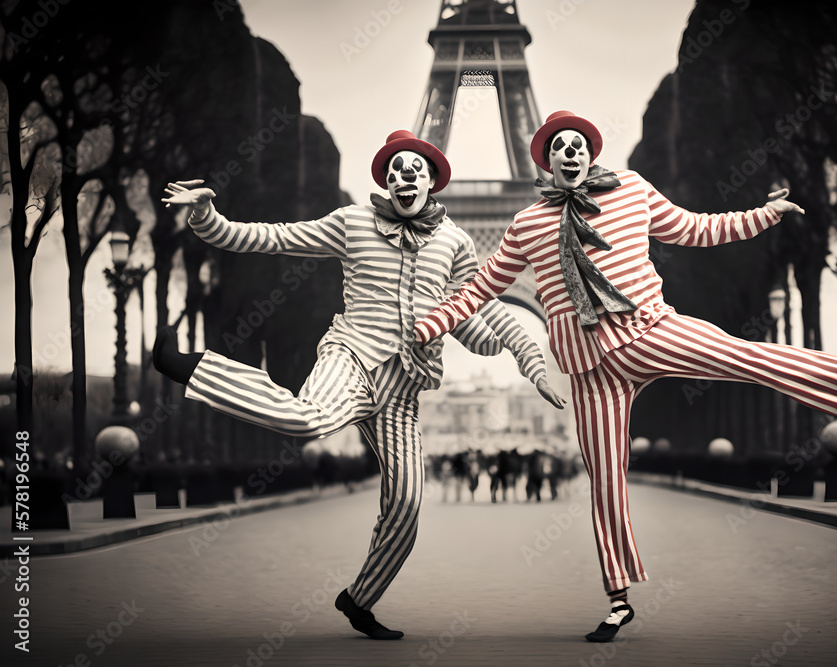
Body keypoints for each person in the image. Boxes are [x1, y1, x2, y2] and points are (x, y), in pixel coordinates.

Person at [413, 111, 837, 643]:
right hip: (590, 367)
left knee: (742, 356)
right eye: (559, 146)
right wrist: (431, 325)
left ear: (589, 153)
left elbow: (696, 229)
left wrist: (763, 215)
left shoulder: (632, 190)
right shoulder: (527, 224)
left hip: (649, 329)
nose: (570, 151)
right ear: (545, 160)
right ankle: (618, 599)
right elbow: (478, 289)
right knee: (606, 480)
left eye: (578, 144)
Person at [156, 129, 565, 640]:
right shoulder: (351, 223)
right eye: (395, 169)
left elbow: (483, 310)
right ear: (387, 181)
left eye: (414, 168)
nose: (403, 176)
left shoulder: (457, 243)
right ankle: (190, 365)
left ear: (432, 180)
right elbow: (274, 237)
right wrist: (206, 217)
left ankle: (359, 599)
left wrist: (526, 356)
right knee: (308, 417)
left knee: (409, 502)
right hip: (351, 358)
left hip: (404, 387)